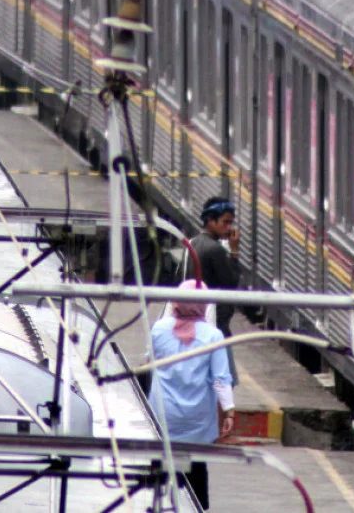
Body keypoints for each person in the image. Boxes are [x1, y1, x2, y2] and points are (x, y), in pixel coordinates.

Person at [150, 279, 235, 509]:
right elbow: (220, 379)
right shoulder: (213, 336)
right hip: (197, 422)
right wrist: (229, 411)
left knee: (158, 476)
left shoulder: (159, 330)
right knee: (196, 471)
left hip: (163, 417)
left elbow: (151, 363)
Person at [190, 196, 241, 386]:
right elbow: (231, 283)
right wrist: (234, 252)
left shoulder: (192, 243)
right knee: (225, 381)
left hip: (195, 321)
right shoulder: (215, 250)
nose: (229, 228)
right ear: (210, 220)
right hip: (216, 324)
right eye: (225, 222)